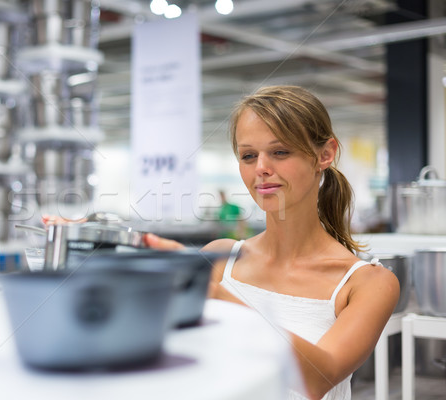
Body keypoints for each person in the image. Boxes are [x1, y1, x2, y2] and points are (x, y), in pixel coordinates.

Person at [144, 85, 399, 400]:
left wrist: (212, 295)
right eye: (248, 155)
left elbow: (321, 377)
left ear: (325, 154)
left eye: (280, 152)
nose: (261, 168)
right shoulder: (218, 259)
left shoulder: (368, 283)